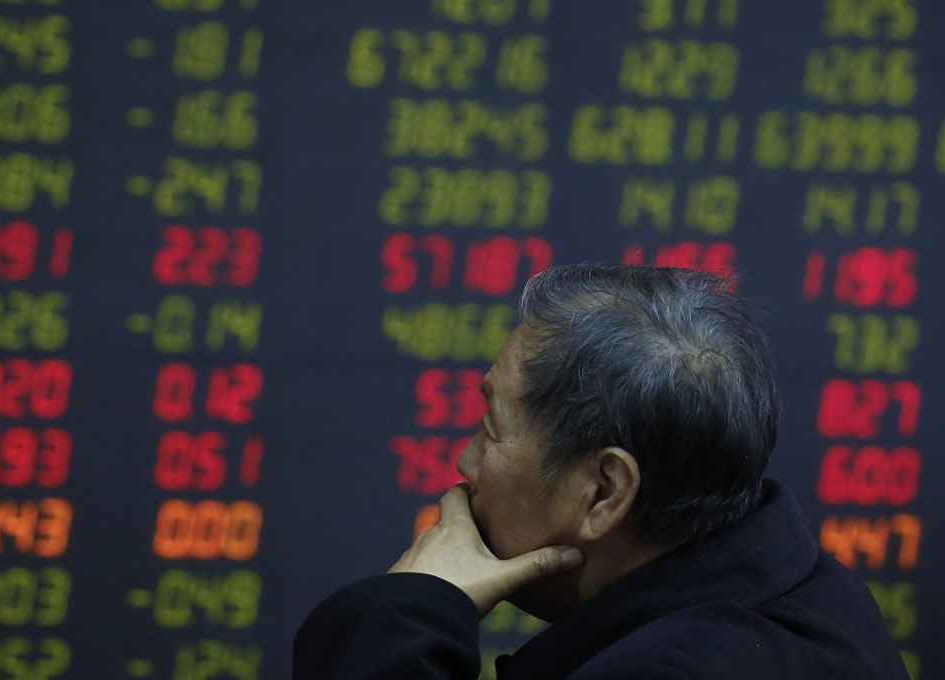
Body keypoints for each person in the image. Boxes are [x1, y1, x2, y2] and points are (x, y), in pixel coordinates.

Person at [293, 264, 909, 679]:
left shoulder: (670, 670)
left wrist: (407, 611)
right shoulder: (818, 595)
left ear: (604, 491)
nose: (467, 461)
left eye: (493, 430)